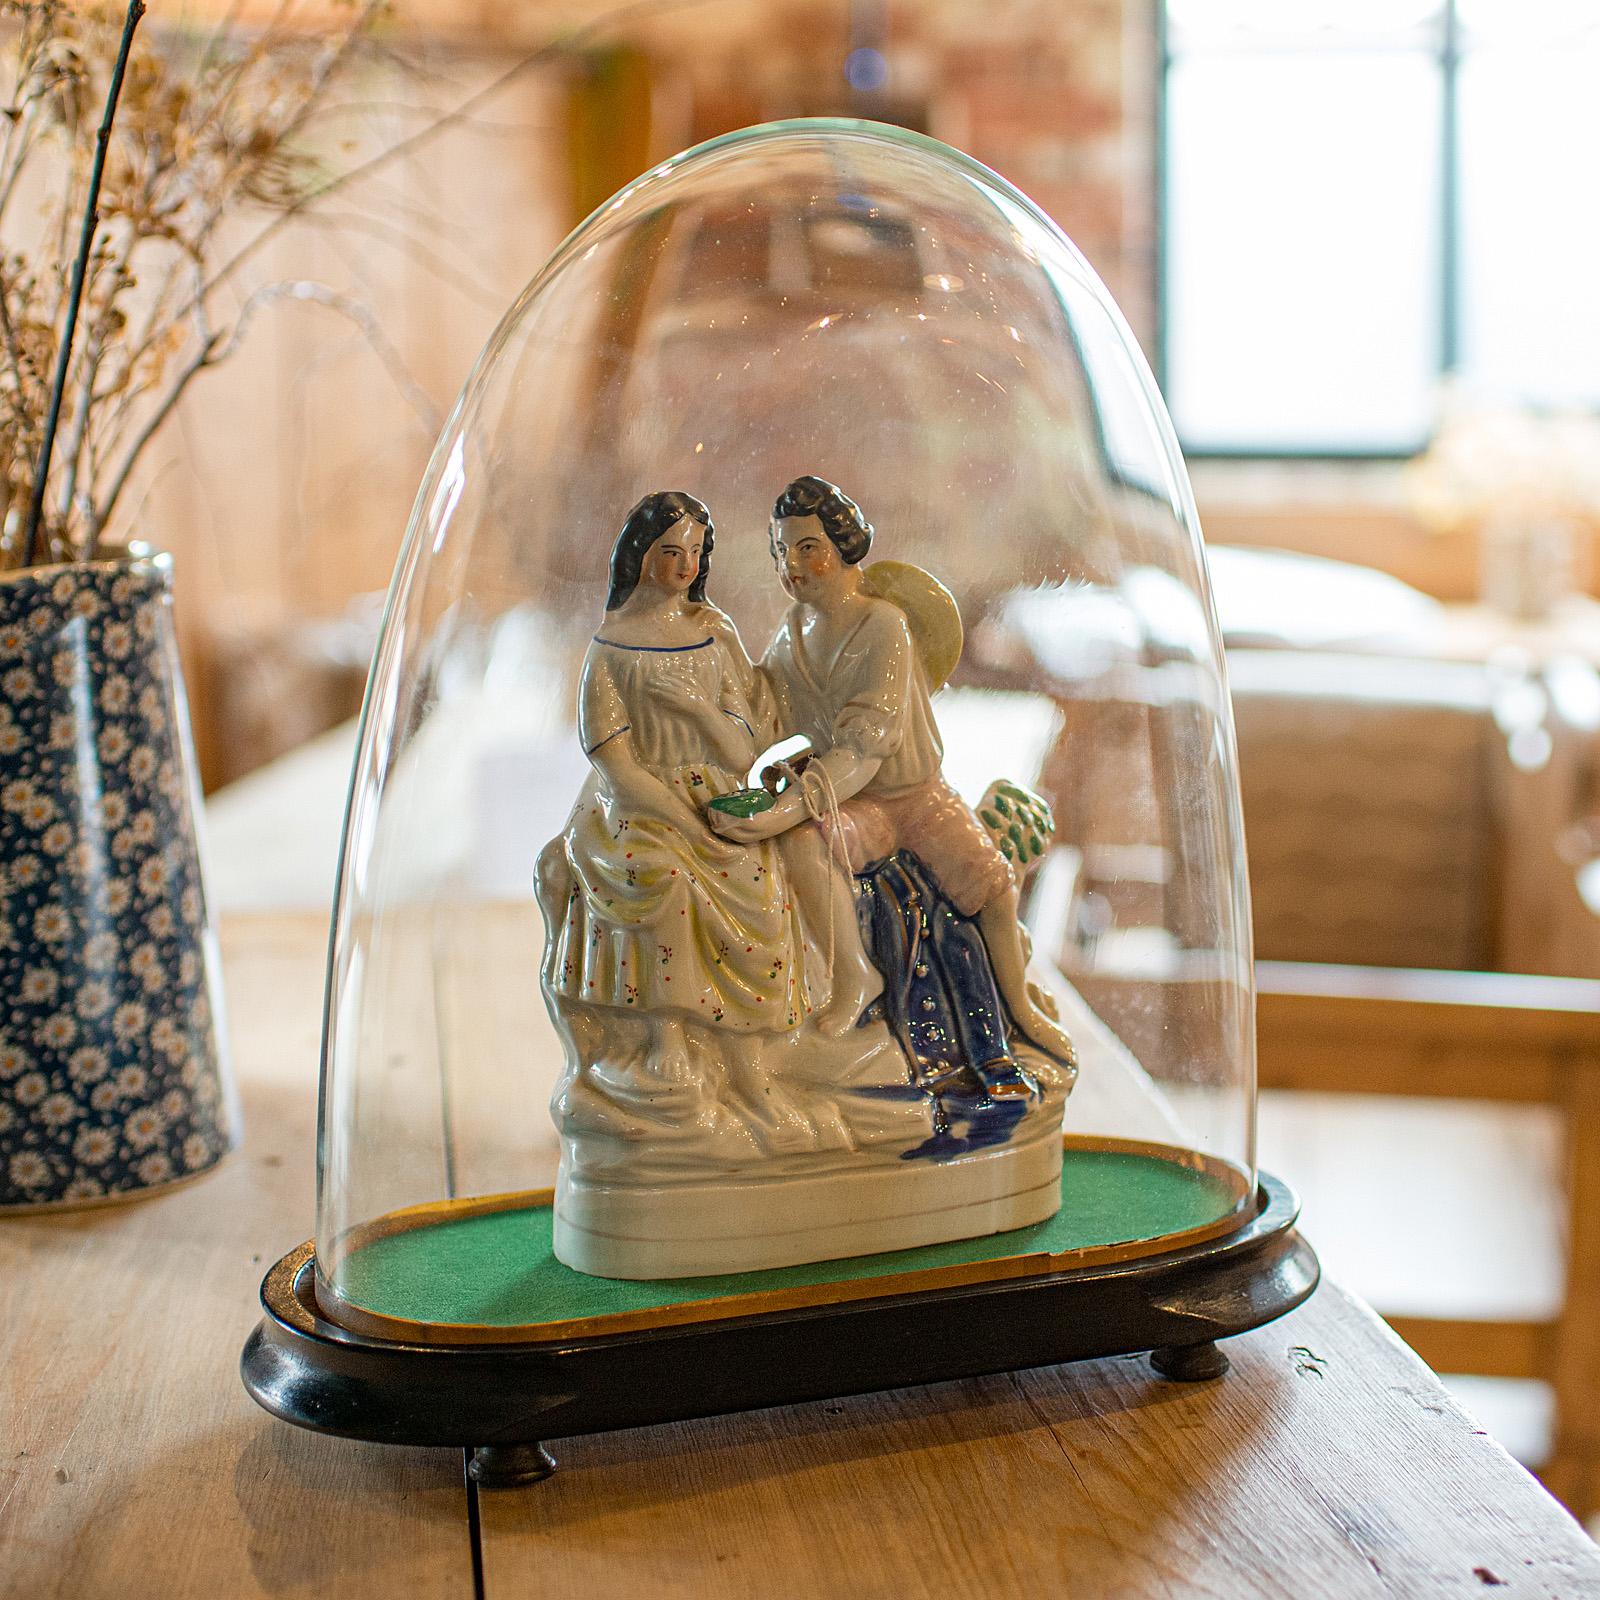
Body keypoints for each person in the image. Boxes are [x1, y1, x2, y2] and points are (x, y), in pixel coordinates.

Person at [708, 475, 1077, 1083]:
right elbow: (767, 712)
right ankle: (852, 977)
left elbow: (862, 749)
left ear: (845, 544)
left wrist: (781, 807)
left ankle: (1020, 1013)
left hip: (916, 800)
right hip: (862, 809)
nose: (791, 565)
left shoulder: (883, 627)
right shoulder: (792, 633)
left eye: (806, 547)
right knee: (805, 842)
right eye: (780, 551)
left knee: (991, 887)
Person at [537, 490, 812, 1041]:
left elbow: (744, 752)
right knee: (661, 876)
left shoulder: (713, 631)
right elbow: (617, 766)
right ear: (639, 554)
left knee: (761, 878)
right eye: (669, 551)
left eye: (695, 551)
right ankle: (666, 1037)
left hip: (716, 791)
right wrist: (687, 825)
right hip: (633, 806)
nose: (685, 566)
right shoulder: (611, 648)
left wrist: (698, 711)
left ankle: (751, 1052)